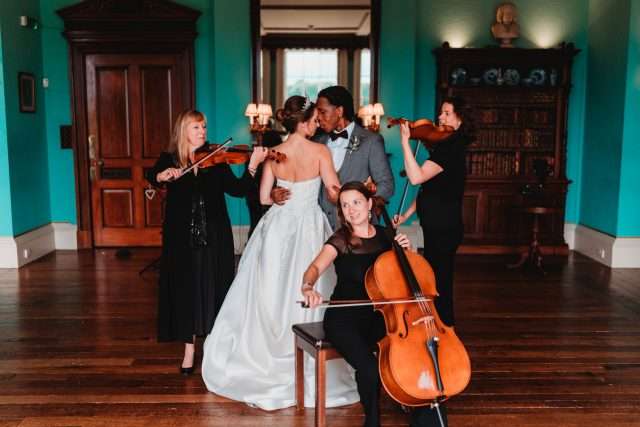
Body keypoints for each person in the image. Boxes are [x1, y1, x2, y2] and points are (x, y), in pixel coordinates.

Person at [201, 95, 359, 410]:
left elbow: (263, 199)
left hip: (277, 228)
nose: (317, 124)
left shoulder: (275, 153)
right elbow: (333, 193)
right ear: (303, 122)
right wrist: (353, 195)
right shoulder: (320, 151)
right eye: (314, 120)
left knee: (270, 289)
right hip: (309, 227)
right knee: (310, 285)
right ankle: (307, 350)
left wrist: (275, 194)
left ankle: (265, 351)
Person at [302, 181, 447, 427]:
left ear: (369, 204)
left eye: (356, 202)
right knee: (369, 368)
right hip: (345, 320)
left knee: (415, 353)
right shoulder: (340, 240)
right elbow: (315, 267)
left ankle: (422, 414)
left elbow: (408, 275)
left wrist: (408, 251)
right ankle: (372, 420)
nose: (351, 210)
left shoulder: (386, 236)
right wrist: (307, 287)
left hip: (382, 316)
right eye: (345, 205)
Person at [146, 109, 268, 374]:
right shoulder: (170, 159)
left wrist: (252, 165)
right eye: (196, 127)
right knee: (186, 290)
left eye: (204, 127)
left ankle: (214, 346)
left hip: (214, 234)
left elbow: (237, 190)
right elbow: (152, 175)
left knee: (213, 286)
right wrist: (161, 176)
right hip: (181, 237)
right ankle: (189, 349)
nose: (202, 131)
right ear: (183, 131)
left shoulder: (216, 160)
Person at [394, 96, 472, 328]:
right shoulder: (446, 146)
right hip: (437, 225)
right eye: (441, 112)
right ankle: (438, 326)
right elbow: (429, 189)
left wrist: (405, 142)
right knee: (435, 279)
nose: (440, 117)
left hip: (444, 227)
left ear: (460, 119)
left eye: (447, 113)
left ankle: (446, 328)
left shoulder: (450, 149)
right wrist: (407, 215)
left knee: (440, 283)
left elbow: (416, 177)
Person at [271, 85, 394, 230]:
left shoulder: (371, 141)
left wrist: (355, 199)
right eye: (317, 113)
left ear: (339, 111)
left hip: (356, 227)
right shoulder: (316, 140)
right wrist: (275, 193)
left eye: (323, 112)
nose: (318, 118)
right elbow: (297, 177)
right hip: (318, 227)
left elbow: (387, 186)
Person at [245, 129, 282, 236]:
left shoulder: (259, 158)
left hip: (255, 197)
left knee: (255, 226)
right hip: (264, 198)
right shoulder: (275, 159)